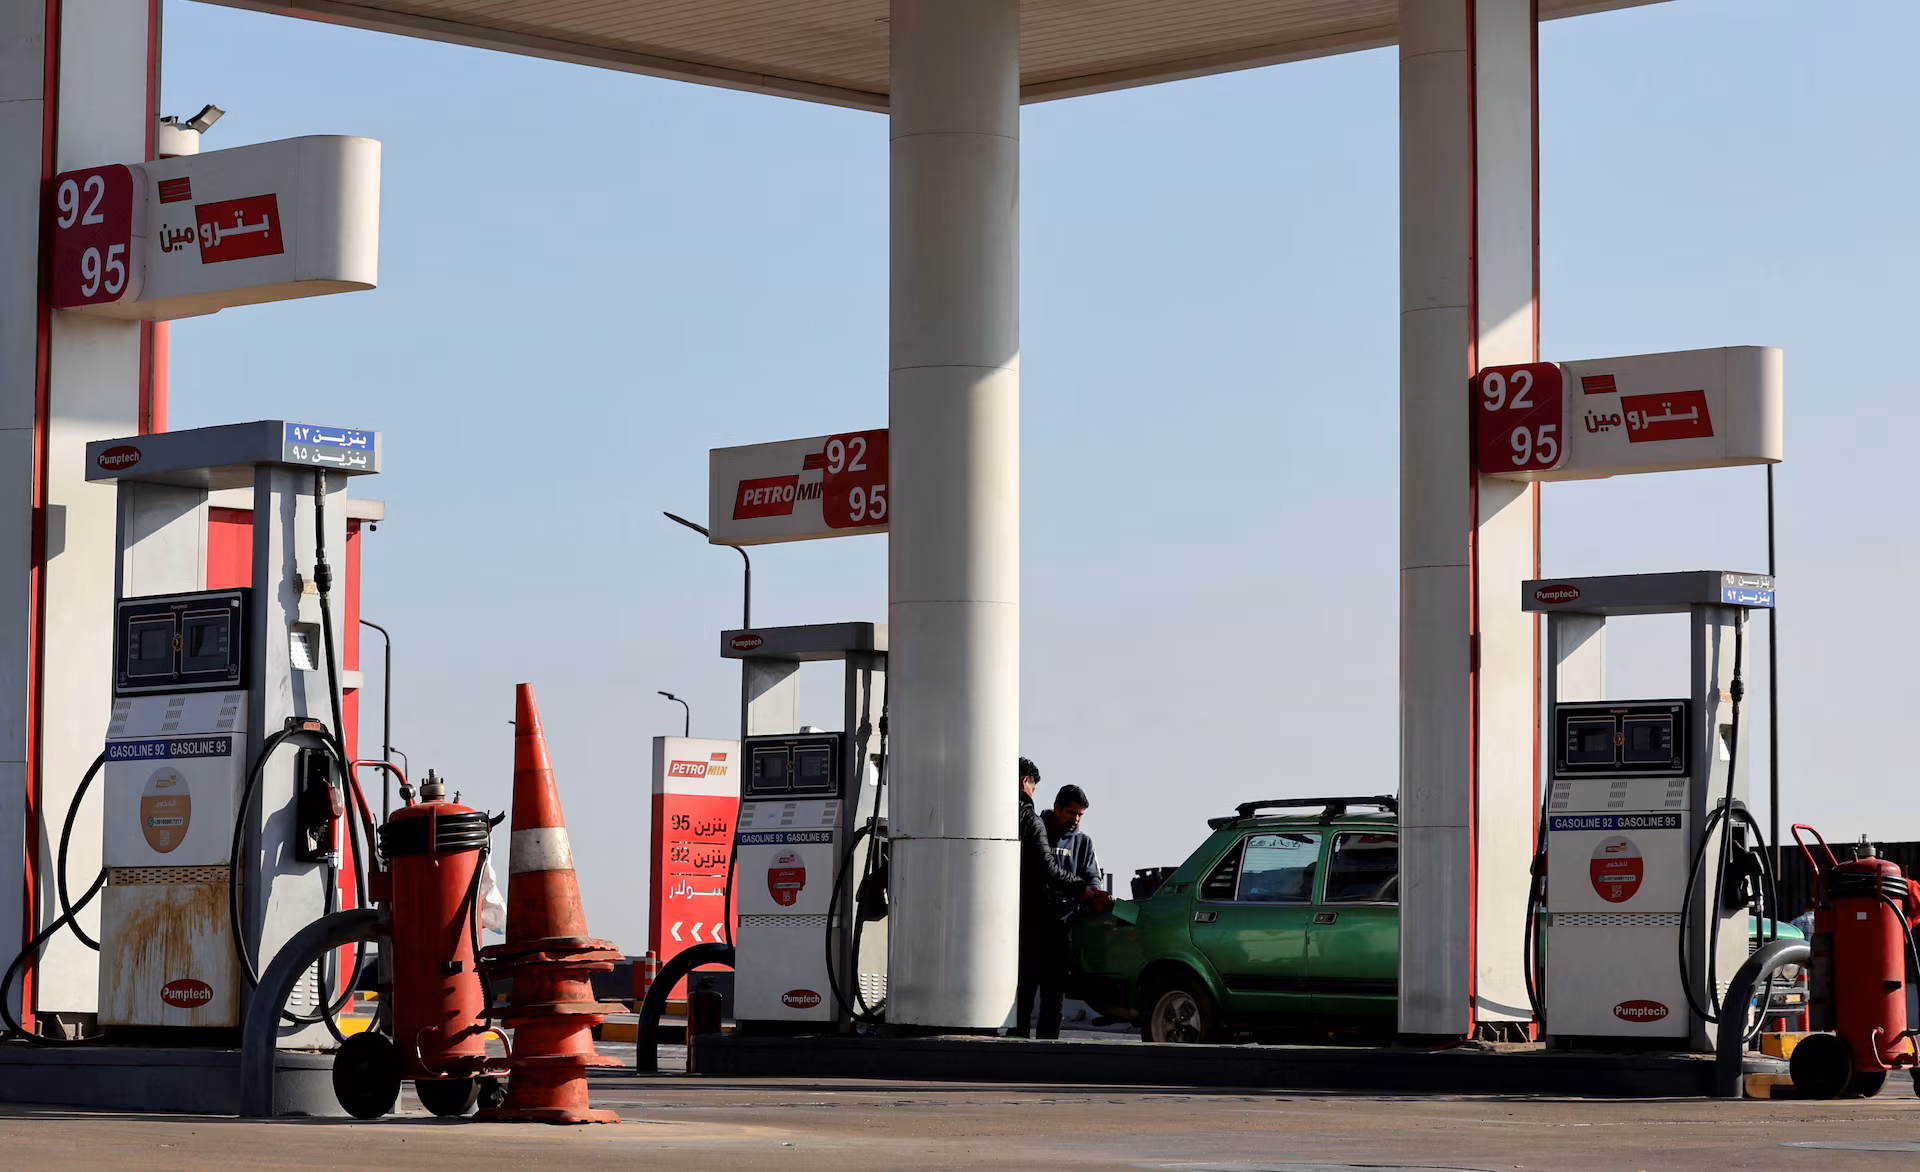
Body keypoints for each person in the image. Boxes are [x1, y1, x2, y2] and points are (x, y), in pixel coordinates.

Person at [1013, 759, 1109, 1039]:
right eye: (1071, 813)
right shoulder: (1035, 827)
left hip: (1061, 930)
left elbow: (1092, 880)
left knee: (1053, 999)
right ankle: (1016, 1049)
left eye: (1080, 815)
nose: (1075, 820)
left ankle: (1046, 1052)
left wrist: (1093, 895)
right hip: (1030, 926)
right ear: (1057, 807)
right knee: (1023, 995)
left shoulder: (1083, 843)